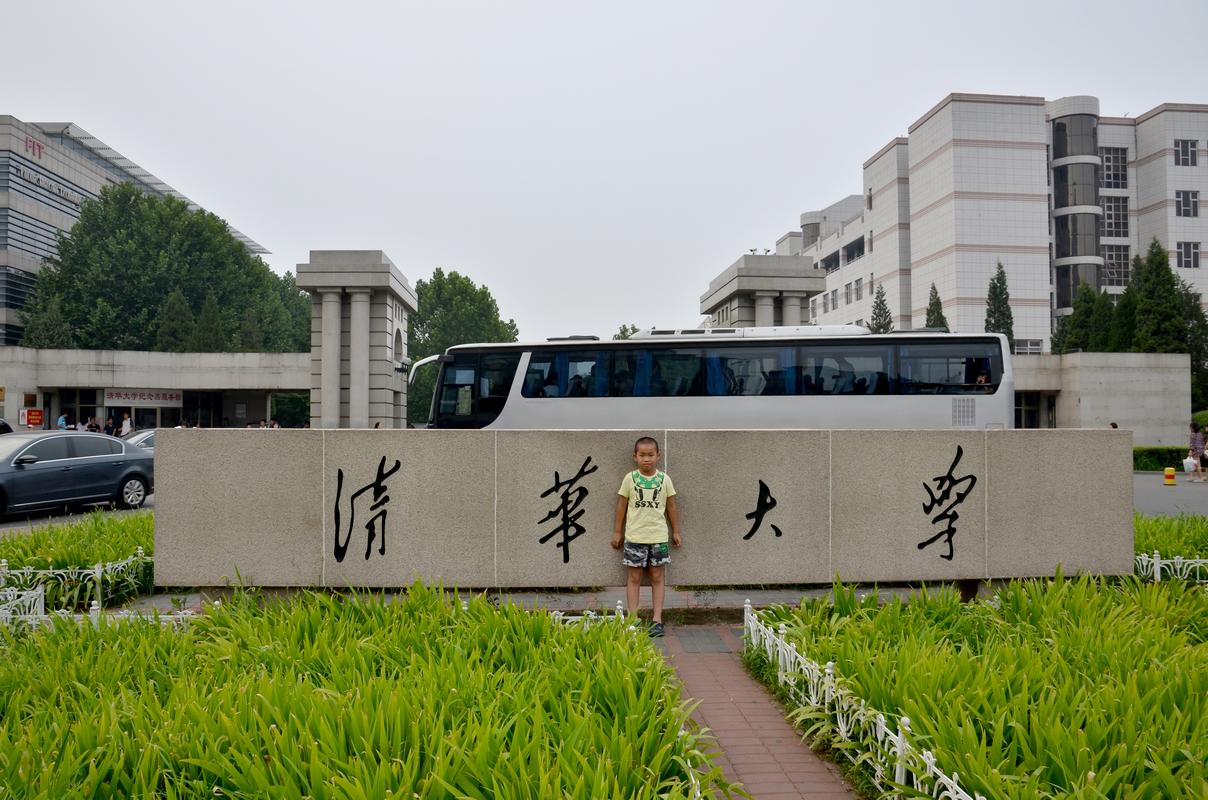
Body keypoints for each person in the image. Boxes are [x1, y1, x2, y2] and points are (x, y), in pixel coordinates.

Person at [612, 436, 681, 637]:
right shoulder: (629, 478)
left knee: (657, 577)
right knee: (634, 577)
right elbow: (621, 505)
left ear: (658, 456)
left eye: (650, 455)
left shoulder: (665, 479)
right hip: (635, 537)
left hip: (658, 537)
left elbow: (671, 506)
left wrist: (676, 531)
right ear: (635, 457)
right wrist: (617, 531)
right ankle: (633, 619)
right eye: (642, 455)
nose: (646, 459)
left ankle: (657, 620)